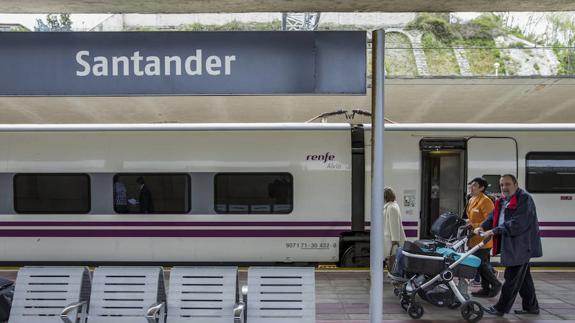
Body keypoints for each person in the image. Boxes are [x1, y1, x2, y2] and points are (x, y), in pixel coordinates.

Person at [474, 174, 542, 317]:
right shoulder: (502, 200)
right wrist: (481, 227)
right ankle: (531, 307)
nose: (504, 187)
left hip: (521, 244)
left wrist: (494, 231)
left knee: (511, 277)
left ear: (516, 184)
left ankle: (500, 308)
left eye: (508, 184)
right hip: (511, 243)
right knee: (524, 279)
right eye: (502, 185)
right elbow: (493, 216)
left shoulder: (524, 199)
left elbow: (519, 223)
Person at [466, 177, 501, 298]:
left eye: (474, 185)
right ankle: (485, 289)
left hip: (484, 240)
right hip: (473, 239)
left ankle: (496, 284)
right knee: (481, 264)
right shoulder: (472, 199)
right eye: (471, 185)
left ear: (482, 188)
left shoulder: (486, 201)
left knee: (479, 263)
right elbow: (471, 217)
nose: (471, 187)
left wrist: (473, 226)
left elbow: (490, 221)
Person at [383, 187, 406, 269]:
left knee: (393, 259)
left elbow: (394, 225)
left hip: (392, 240)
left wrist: (395, 241)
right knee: (392, 260)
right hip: (390, 238)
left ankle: (395, 275)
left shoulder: (392, 208)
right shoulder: (390, 206)